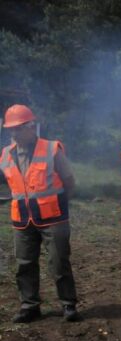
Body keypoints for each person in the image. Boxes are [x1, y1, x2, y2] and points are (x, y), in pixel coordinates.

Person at [0, 104, 80, 323]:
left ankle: (68, 304)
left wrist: (60, 204)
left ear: (31, 126)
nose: (14, 133)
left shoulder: (51, 149)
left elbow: (69, 181)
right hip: (22, 219)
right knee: (24, 264)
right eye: (11, 129)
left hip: (53, 217)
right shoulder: (6, 154)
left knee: (58, 262)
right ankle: (29, 306)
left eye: (18, 128)